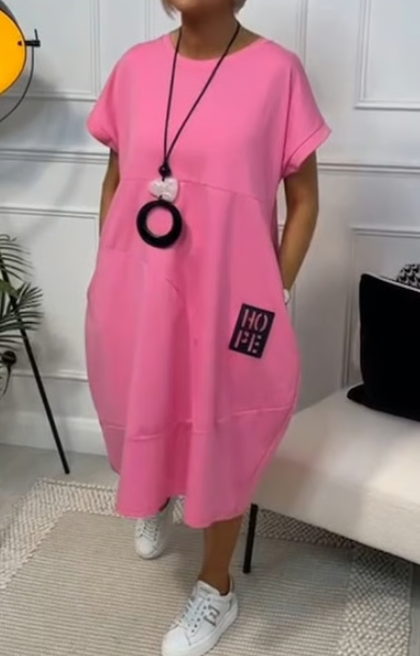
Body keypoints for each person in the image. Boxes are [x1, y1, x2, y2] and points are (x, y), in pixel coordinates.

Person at [85, 0, 330, 654]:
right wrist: (111, 265)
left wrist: (273, 291)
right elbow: (116, 180)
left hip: (234, 299)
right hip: (140, 286)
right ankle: (155, 492)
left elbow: (305, 200)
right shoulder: (134, 69)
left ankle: (215, 588)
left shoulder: (277, 72)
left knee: (224, 427)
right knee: (147, 399)